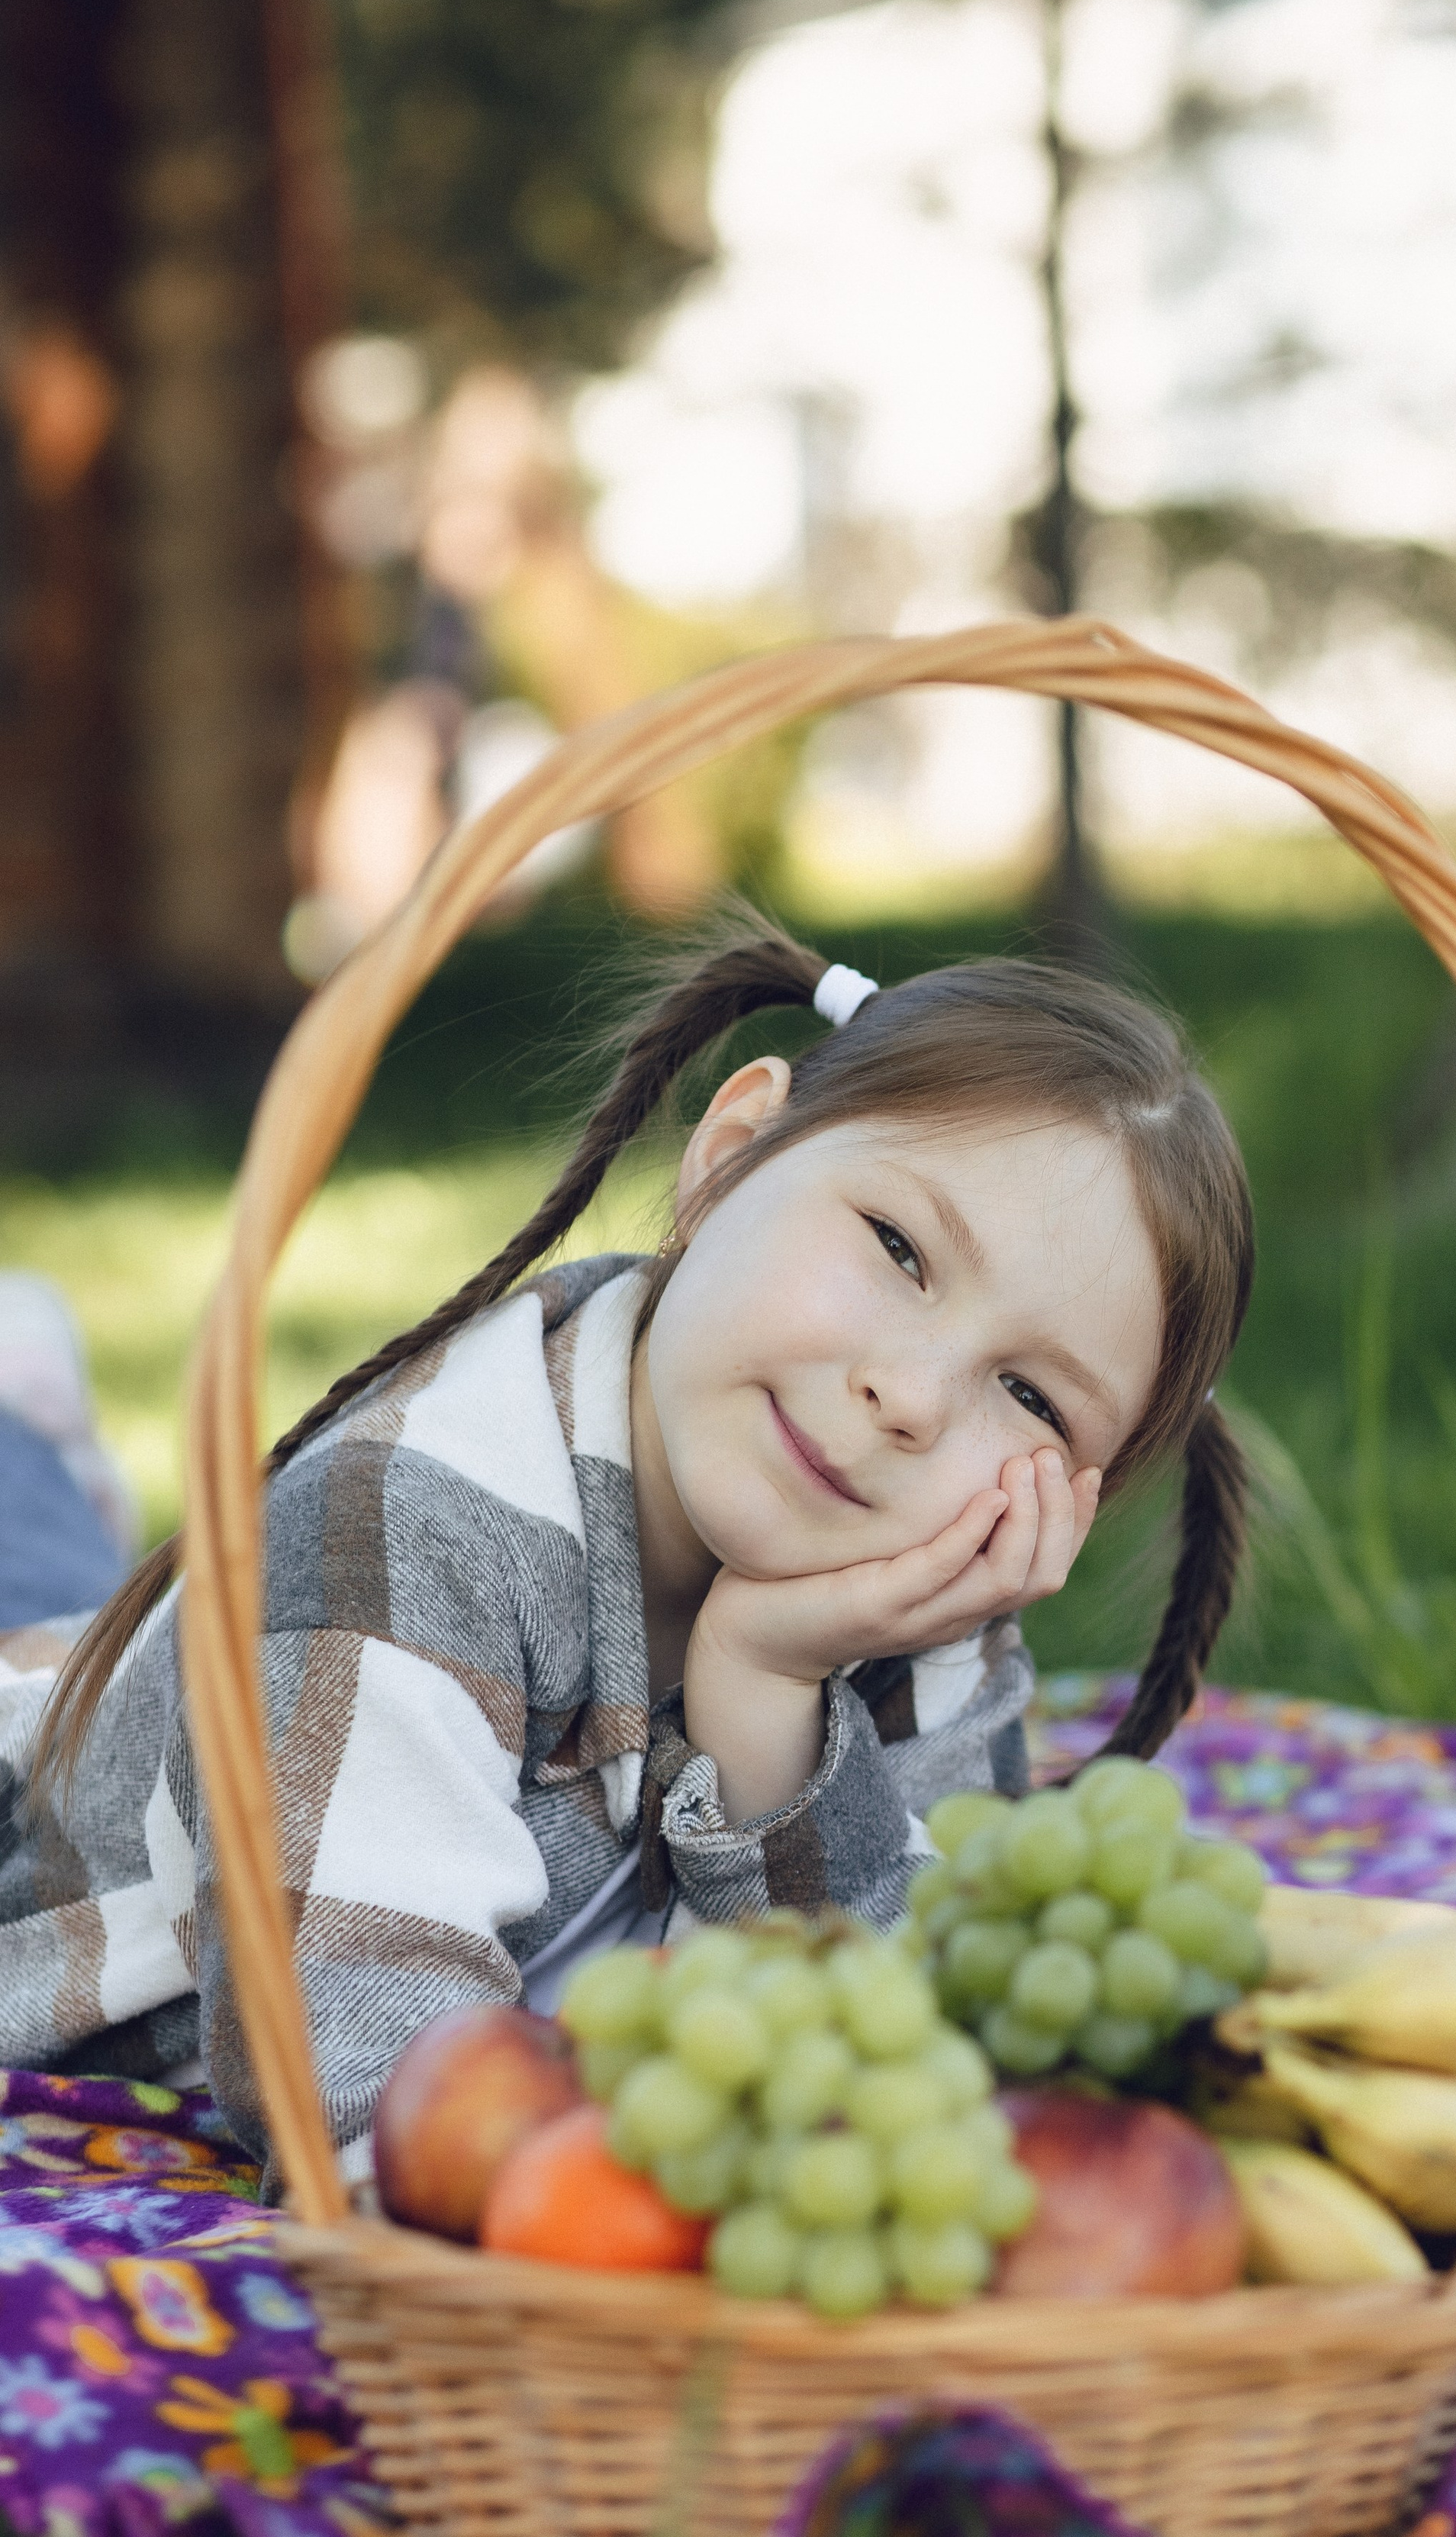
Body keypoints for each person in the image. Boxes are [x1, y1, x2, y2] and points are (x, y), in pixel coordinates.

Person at [0, 914, 1254, 2172]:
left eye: (1032, 1399)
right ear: (725, 1156)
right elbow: (374, 2115)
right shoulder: (400, 1541)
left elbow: (914, 2067)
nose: (915, 1397)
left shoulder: (927, 1587)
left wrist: (766, 1693)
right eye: (897, 1248)